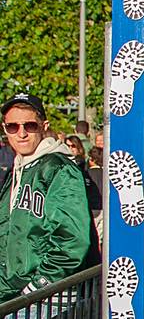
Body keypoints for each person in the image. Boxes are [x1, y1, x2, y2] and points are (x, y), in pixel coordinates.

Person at [0, 94, 95, 302]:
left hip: (46, 299)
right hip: (13, 294)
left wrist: (39, 284)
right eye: (13, 127)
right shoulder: (17, 170)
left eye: (30, 126)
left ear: (44, 126)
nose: (22, 133)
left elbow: (72, 239)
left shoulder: (59, 168)